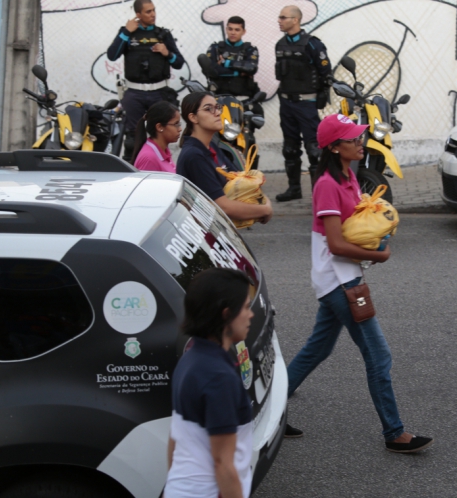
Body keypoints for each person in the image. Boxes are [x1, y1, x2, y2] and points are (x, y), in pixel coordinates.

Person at [285, 114, 433, 453]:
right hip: (339, 283)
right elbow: (336, 244)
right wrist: (379, 256)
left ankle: (269, 404)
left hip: (344, 276)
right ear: (335, 147)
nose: (360, 143)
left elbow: (355, 229)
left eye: (358, 138)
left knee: (318, 348)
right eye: (352, 140)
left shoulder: (348, 176)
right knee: (378, 355)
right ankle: (394, 433)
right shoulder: (326, 184)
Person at [165, 268, 255, 498]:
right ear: (226, 314)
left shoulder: (191, 359)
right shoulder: (218, 377)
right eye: (245, 307)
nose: (251, 314)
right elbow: (222, 463)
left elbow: (175, 439)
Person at [175, 92, 272, 224]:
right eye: (209, 109)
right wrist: (264, 210)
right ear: (193, 118)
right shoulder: (194, 155)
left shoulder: (212, 147)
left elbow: (241, 180)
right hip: (203, 234)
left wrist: (261, 201)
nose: (217, 113)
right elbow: (223, 206)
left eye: (218, 107)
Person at [107, 0, 185, 162]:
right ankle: (132, 168)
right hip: (134, 93)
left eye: (153, 10)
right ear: (138, 14)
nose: (153, 14)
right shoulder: (127, 34)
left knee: (163, 133)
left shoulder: (163, 35)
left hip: (159, 93)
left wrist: (167, 53)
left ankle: (164, 166)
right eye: (148, 11)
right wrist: (126, 33)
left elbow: (179, 63)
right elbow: (112, 55)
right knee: (132, 138)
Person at [274, 5, 333, 202]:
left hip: (306, 104)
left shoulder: (312, 44)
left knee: (314, 149)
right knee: (290, 148)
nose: (279, 20)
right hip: (286, 105)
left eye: (283, 17)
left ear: (296, 20)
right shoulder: (280, 44)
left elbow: (326, 72)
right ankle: (294, 189)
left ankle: (319, 194)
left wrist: (324, 93)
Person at [205, 16, 260, 100]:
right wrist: (238, 72)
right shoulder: (215, 48)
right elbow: (211, 71)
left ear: (243, 32)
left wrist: (225, 63)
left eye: (237, 30)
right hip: (219, 97)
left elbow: (251, 68)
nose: (233, 33)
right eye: (230, 29)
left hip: (243, 97)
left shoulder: (250, 49)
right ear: (226, 29)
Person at [130, 100, 180, 172]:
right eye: (176, 124)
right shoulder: (149, 159)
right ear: (159, 127)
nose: (180, 129)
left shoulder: (163, 150)